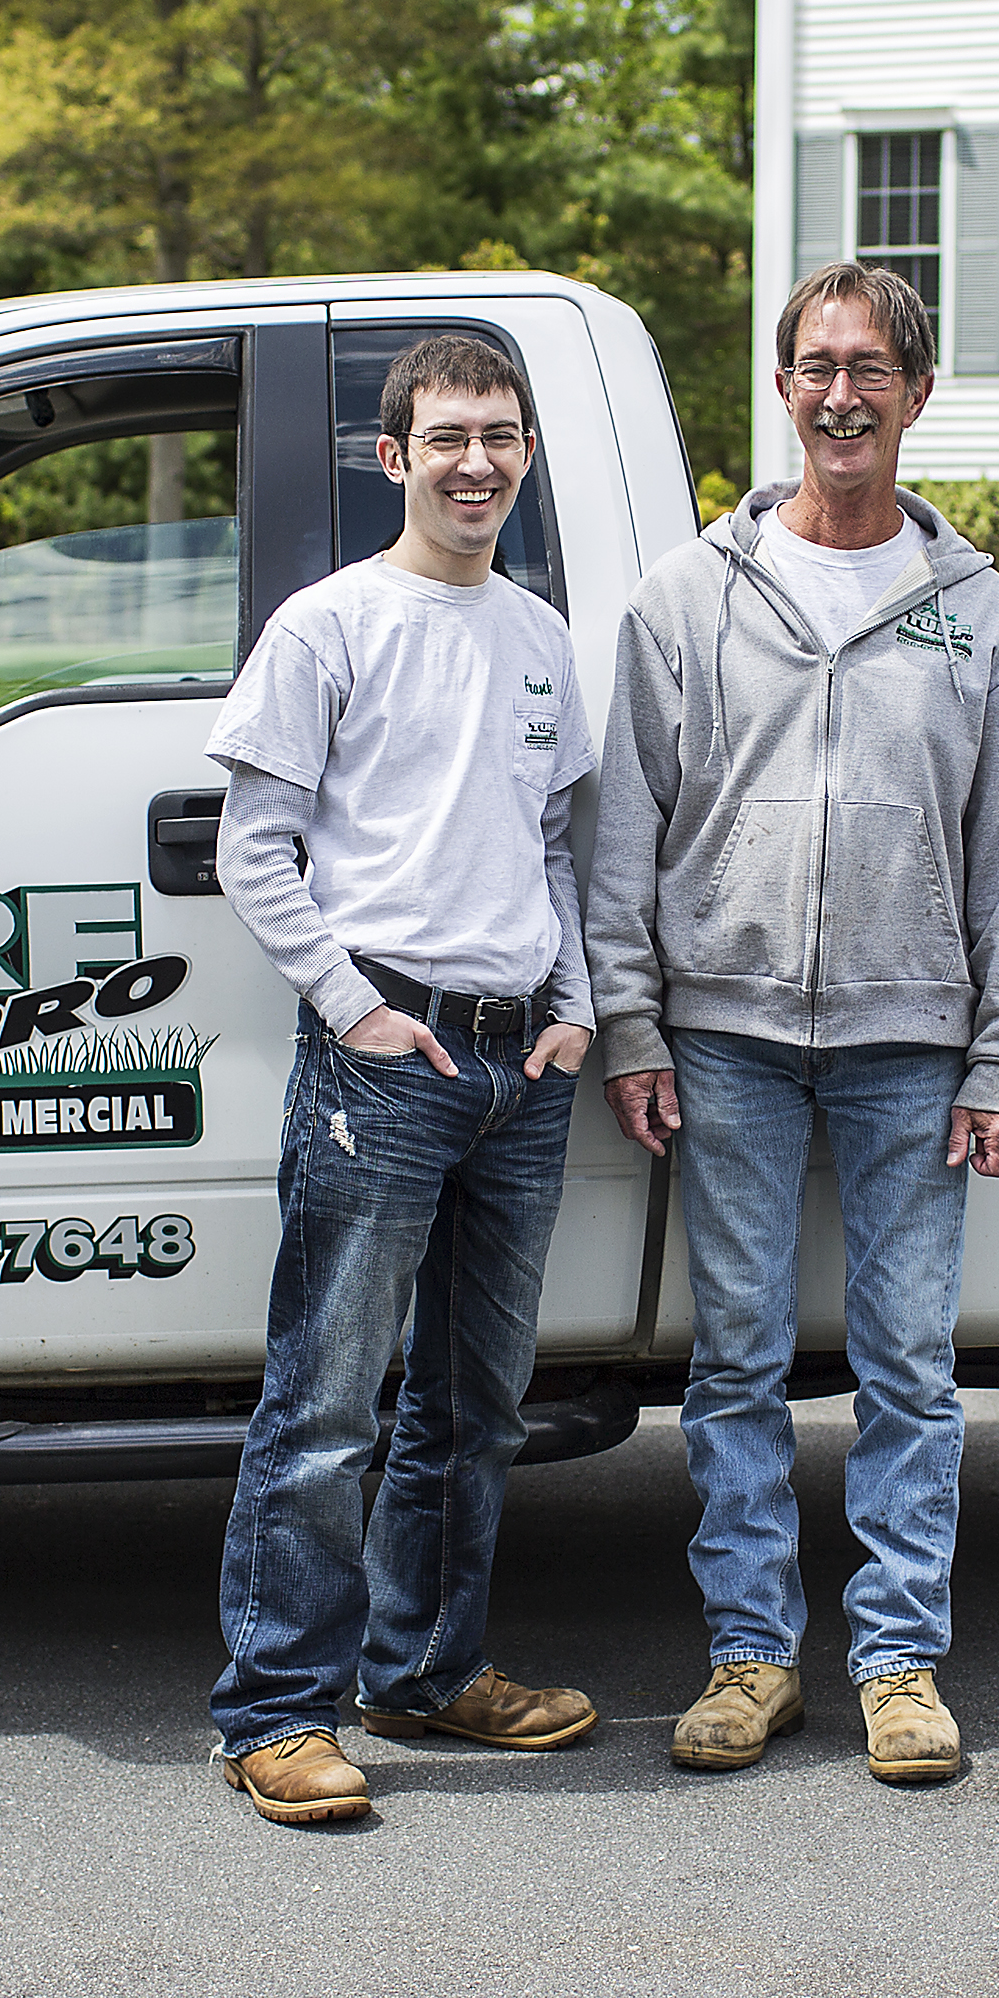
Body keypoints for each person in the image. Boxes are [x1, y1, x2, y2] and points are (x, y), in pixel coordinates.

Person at [587, 260, 999, 1786]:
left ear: (915, 395)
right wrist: (634, 1026)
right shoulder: (686, 599)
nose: (840, 391)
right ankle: (748, 1657)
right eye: (814, 364)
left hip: (912, 1040)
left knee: (907, 1367)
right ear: (781, 390)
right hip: (719, 1035)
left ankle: (898, 1661)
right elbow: (623, 837)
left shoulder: (982, 621)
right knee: (730, 1361)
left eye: (870, 366)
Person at [200, 330, 601, 1825]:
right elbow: (256, 847)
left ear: (526, 454)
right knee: (323, 1407)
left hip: (520, 1063)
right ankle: (273, 1712)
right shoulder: (326, 626)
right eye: (447, 437)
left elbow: (553, 849)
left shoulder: (542, 636)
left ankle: (428, 1670)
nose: (478, 461)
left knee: (472, 1404)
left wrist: (575, 1004)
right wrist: (353, 1009)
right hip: (387, 1058)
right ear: (395, 457)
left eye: (500, 435)